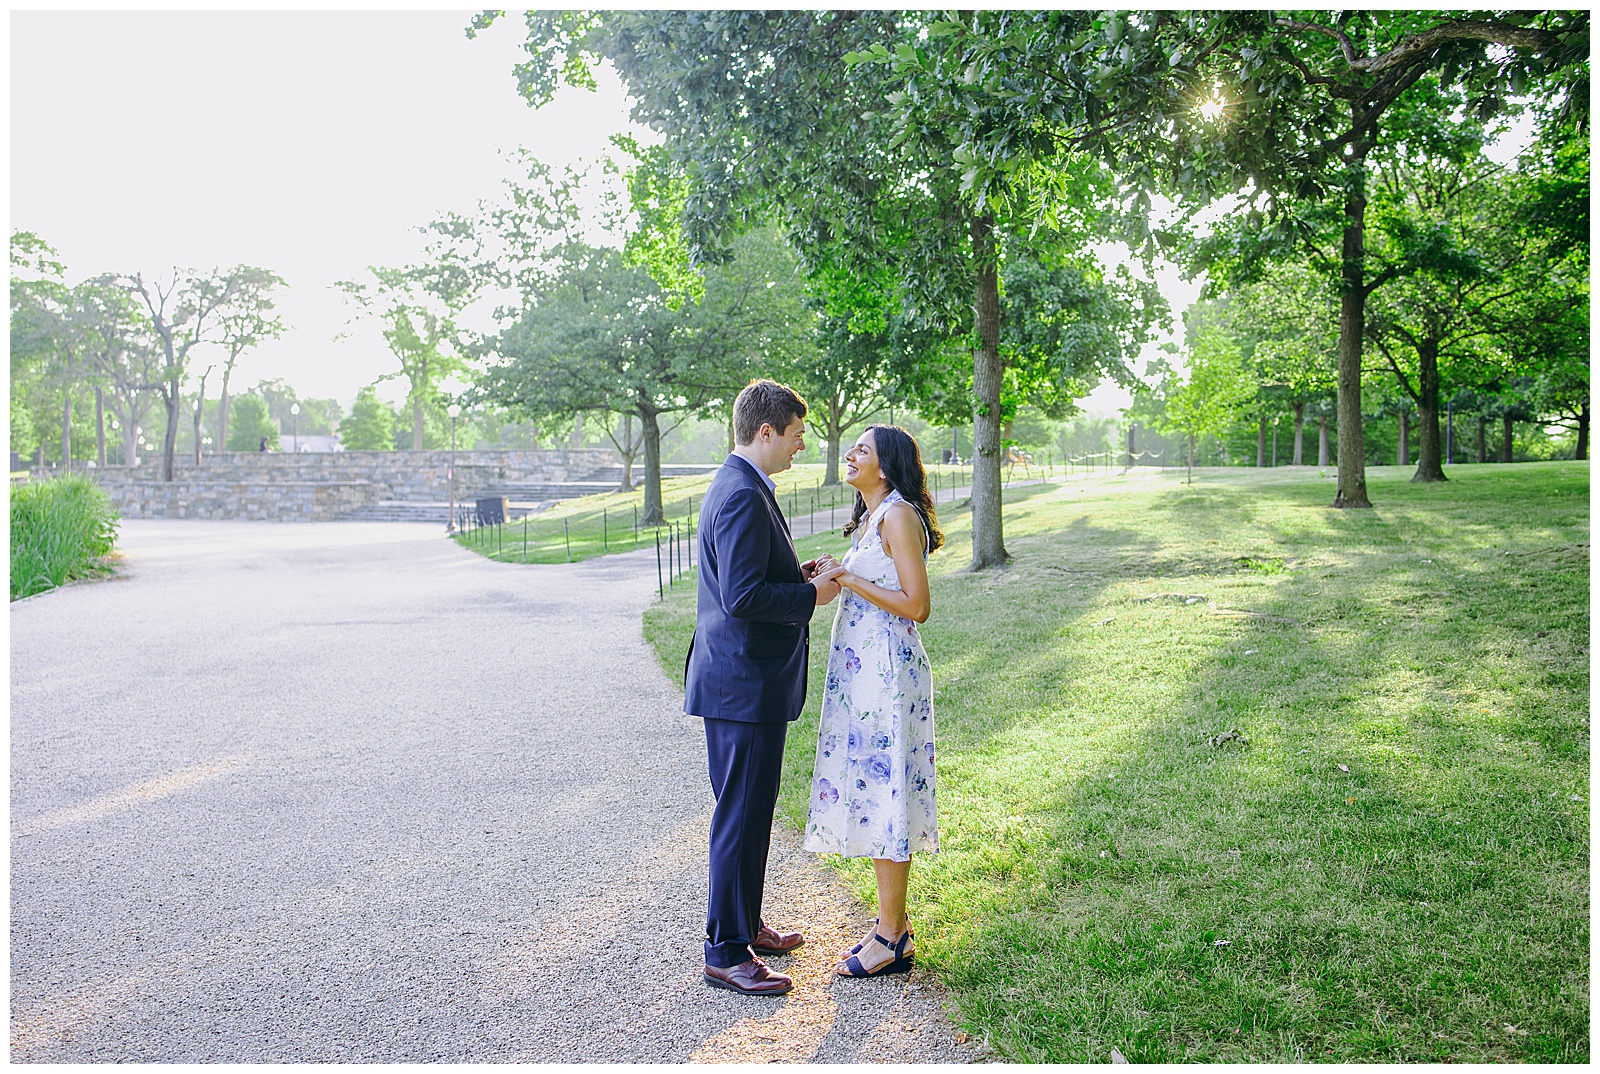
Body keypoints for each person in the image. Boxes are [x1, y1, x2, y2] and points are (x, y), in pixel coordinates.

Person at [686, 379, 844, 997]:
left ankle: (746, 924)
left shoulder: (746, 486)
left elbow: (751, 576)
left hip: (744, 683)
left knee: (752, 813)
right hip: (741, 686)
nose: (802, 444)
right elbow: (744, 597)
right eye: (797, 434)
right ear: (766, 432)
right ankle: (725, 950)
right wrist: (813, 595)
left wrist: (795, 572)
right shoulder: (742, 495)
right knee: (739, 816)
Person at [804, 425, 942, 978]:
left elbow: (917, 604)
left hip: (887, 676)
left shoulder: (898, 515)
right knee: (874, 791)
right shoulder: (871, 517)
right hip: (866, 681)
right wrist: (835, 573)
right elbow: (866, 579)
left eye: (862, 449)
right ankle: (893, 926)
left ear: (886, 465)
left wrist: (851, 580)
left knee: (888, 796)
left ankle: (891, 935)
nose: (851, 455)